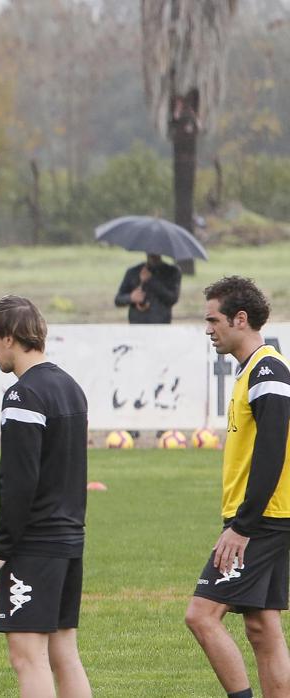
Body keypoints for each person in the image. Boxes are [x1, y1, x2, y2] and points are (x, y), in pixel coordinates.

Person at [0, 295, 92, 698]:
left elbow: (19, 482)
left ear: (10, 337)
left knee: (27, 656)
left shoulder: (24, 395)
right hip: (70, 539)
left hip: (36, 544)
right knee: (64, 653)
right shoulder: (70, 387)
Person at [186, 276, 290, 698]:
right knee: (262, 626)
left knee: (201, 615)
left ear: (240, 319)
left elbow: (272, 452)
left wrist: (243, 525)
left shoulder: (268, 369)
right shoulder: (254, 371)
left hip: (261, 520)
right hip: (261, 517)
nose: (208, 329)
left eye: (213, 319)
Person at [114, 253, 181, 324]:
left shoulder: (172, 271)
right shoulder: (133, 271)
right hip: (137, 324)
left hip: (161, 325)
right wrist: (130, 298)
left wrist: (151, 280)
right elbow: (118, 300)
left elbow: (172, 298)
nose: (153, 254)